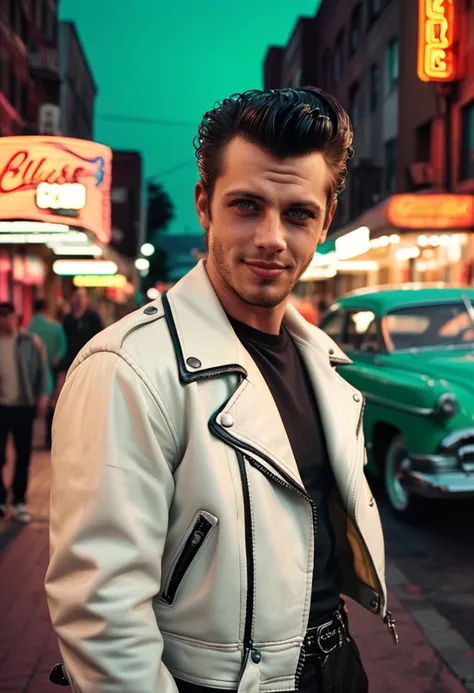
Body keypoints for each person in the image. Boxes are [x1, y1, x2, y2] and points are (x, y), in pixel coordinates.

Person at [46, 88, 397, 693]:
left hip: (340, 667)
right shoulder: (127, 367)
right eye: (246, 206)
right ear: (204, 205)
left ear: (325, 218)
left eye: (297, 214)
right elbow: (101, 618)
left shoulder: (322, 359)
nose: (271, 238)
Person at [0, 302, 48, 523]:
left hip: (23, 406)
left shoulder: (29, 342)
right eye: (1, 317)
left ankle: (19, 500)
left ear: (15, 318)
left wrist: (42, 396)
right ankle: (1, 499)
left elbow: (41, 371)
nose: (5, 321)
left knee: (23, 456)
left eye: (8, 316)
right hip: (2, 407)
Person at [28, 299, 67, 450]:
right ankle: (50, 439)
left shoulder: (30, 328)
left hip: (34, 371)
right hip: (53, 369)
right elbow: (62, 349)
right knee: (52, 403)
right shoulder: (56, 327)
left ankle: (32, 437)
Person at [61, 287, 104, 372]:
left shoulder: (93, 318)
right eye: (77, 296)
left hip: (89, 362)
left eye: (82, 296)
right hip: (71, 363)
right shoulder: (67, 320)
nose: (79, 300)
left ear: (86, 299)